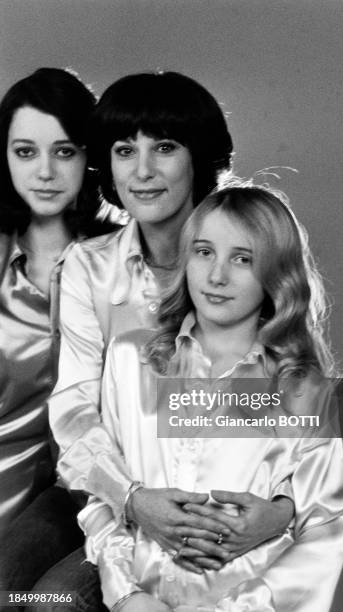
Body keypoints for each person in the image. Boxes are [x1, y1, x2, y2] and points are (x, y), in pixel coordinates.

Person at [36, 73, 294, 605]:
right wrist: (134, 499)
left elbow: (310, 400)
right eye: (125, 149)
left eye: (165, 147)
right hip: (110, 496)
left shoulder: (252, 250)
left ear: (199, 156)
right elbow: (74, 409)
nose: (144, 170)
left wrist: (284, 508)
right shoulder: (89, 267)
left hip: (225, 503)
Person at [80, 184, 343, 612]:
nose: (217, 275)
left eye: (242, 259)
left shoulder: (305, 389)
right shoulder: (129, 359)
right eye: (204, 252)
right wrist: (126, 596)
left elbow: (326, 527)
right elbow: (103, 496)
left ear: (276, 274)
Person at [0, 67, 117, 590]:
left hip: (101, 493)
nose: (45, 171)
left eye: (64, 151)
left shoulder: (125, 255)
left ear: (89, 156)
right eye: (25, 152)